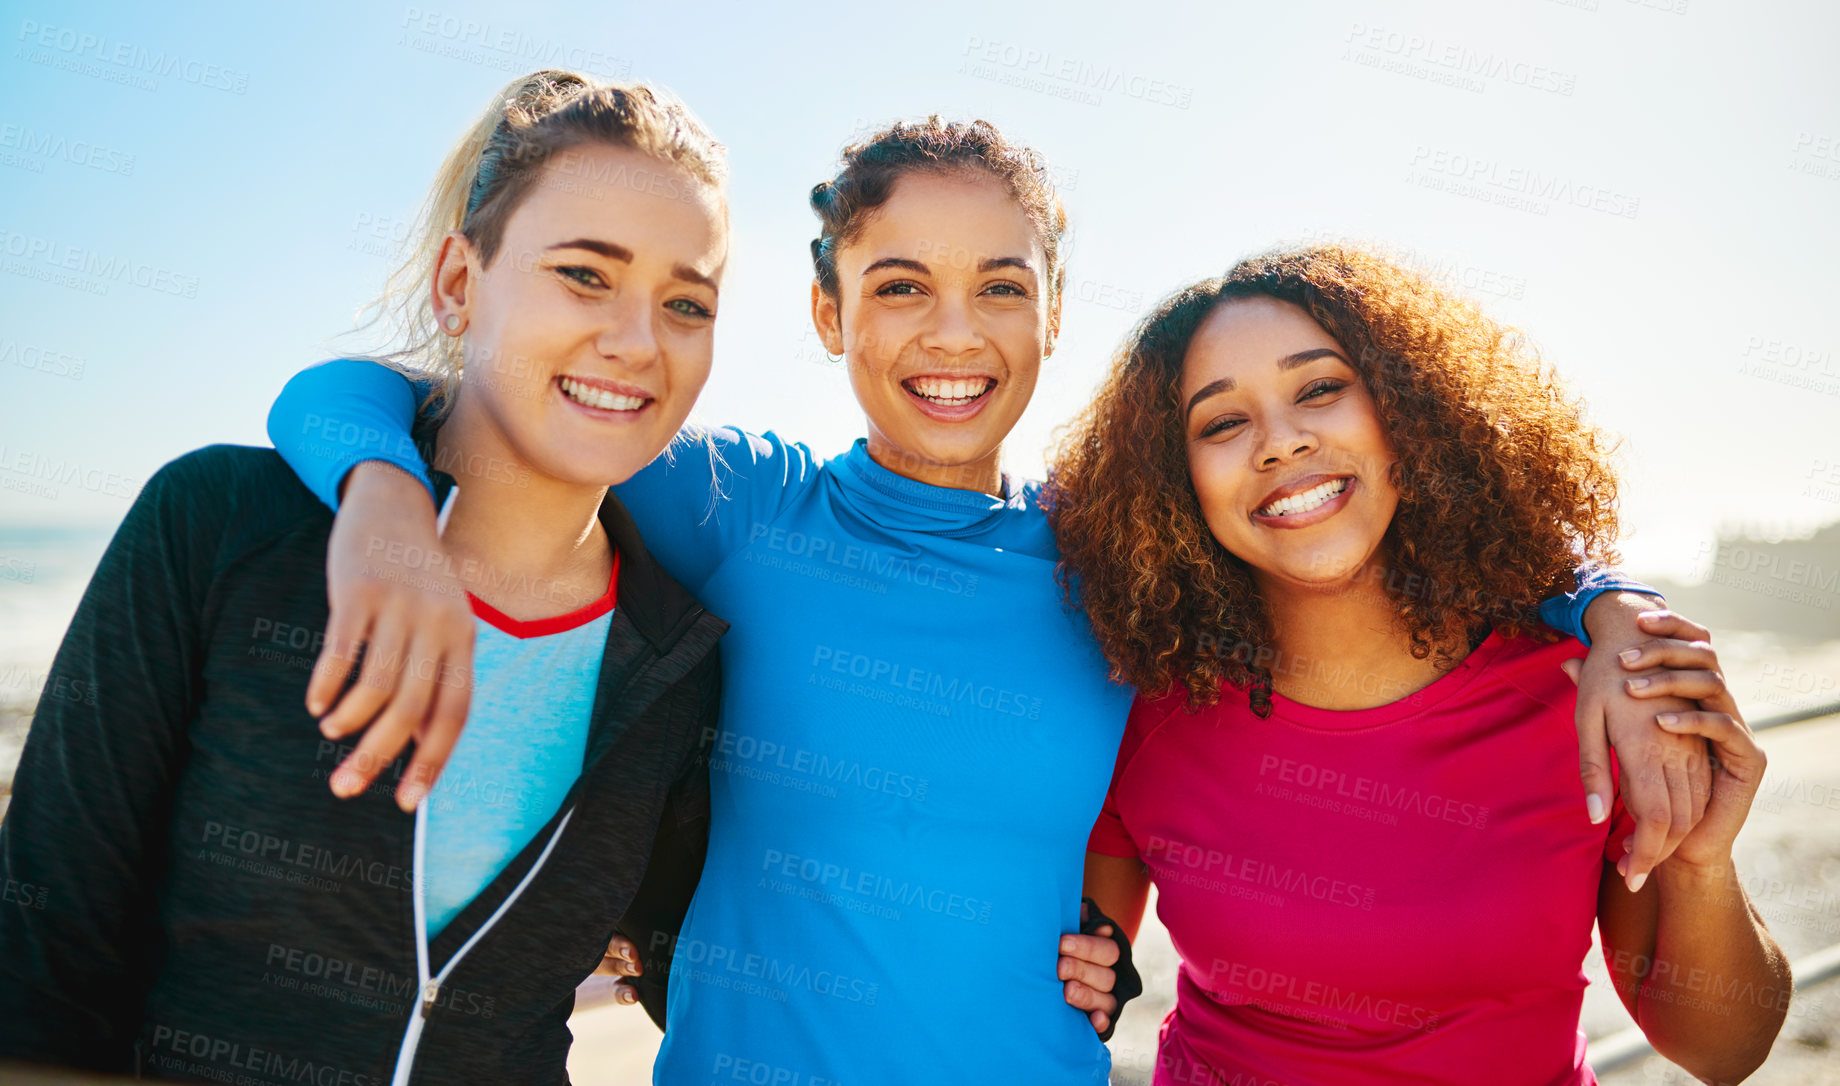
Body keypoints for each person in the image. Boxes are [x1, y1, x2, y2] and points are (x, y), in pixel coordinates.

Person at [263, 121, 1703, 1081]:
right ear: (830, 315)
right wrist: (387, 504)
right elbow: (374, 395)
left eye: (999, 287)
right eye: (900, 288)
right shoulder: (742, 504)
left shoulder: (1121, 556)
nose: (954, 336)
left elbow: (1364, 538)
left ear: (1052, 312)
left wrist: (1607, 603)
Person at [0, 70, 733, 1085]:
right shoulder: (217, 526)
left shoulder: (680, 654)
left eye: (686, 302)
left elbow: (705, 978)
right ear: (457, 284)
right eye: (583, 274)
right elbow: (39, 976)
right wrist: (385, 497)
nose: (637, 341)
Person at [1051, 246, 1791, 1085]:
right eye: (1221, 423)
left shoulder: (1589, 693)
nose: (1280, 442)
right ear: (1170, 480)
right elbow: (1069, 982)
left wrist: (1701, 861)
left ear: (1411, 409)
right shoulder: (1139, 708)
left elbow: (1723, 1051)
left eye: (1321, 388)